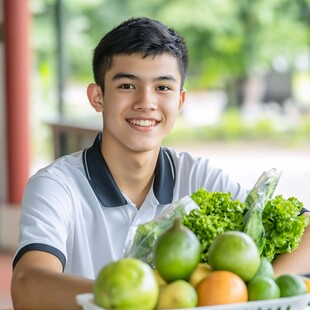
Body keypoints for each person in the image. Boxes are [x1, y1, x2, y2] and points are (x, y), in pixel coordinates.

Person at [11, 17, 310, 310]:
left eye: (162, 88)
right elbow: (27, 285)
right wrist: (137, 298)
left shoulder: (197, 176)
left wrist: (258, 289)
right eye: (127, 86)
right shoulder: (57, 185)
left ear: (180, 101)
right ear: (97, 96)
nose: (146, 102)